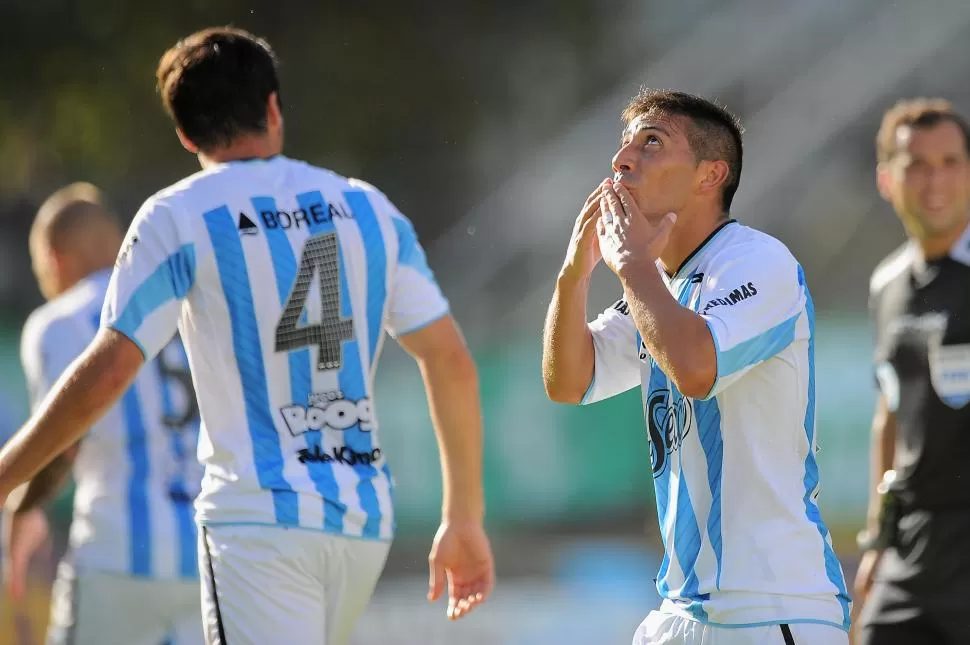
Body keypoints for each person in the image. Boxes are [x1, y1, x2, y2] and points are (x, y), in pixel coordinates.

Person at [0, 27, 494, 645]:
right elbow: (449, 360)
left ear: (185, 135)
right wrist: (464, 517)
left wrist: (4, 475)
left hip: (256, 522)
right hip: (361, 521)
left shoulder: (177, 215)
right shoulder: (369, 207)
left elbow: (107, 373)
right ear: (273, 108)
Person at [541, 88, 851, 645]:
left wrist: (632, 263)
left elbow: (695, 369)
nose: (622, 159)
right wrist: (574, 275)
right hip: (679, 611)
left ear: (711, 175)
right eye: (624, 143)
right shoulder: (657, 287)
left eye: (651, 142)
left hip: (771, 610)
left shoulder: (758, 260)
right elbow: (568, 380)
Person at [2, 182, 203, 645]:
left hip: (116, 556)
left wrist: (21, 508)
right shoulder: (183, 307)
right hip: (209, 554)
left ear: (54, 259)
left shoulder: (58, 322)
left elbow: (61, 448)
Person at [852, 98, 970, 645]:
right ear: (886, 179)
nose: (935, 180)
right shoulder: (885, 284)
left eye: (950, 161)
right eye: (917, 164)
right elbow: (890, 413)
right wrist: (878, 538)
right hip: (914, 547)